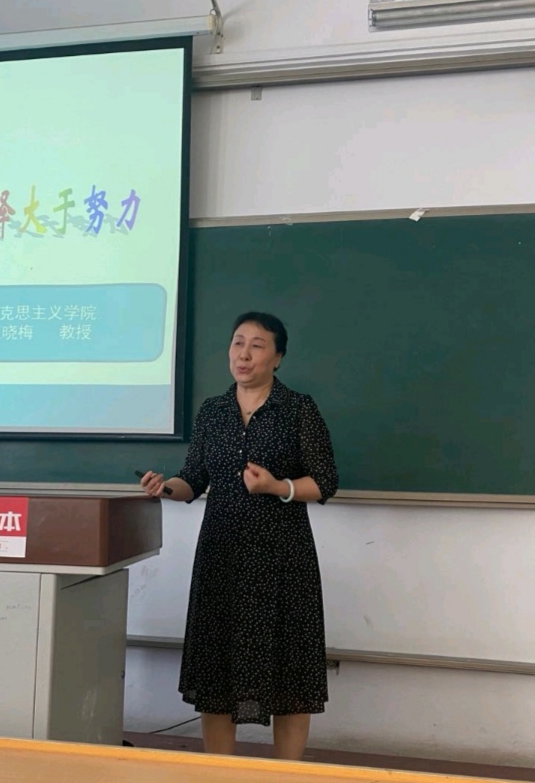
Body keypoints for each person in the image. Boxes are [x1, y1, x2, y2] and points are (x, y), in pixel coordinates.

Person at [139, 311, 338, 761]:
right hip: (221, 555)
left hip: (282, 557)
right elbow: (193, 479)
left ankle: (286, 773)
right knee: (217, 671)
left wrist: (277, 486)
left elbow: (325, 481)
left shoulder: (298, 409)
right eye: (237, 343)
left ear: (278, 357)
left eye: (257, 345)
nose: (244, 354)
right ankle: (219, 770)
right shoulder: (213, 411)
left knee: (288, 671)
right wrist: (165, 488)